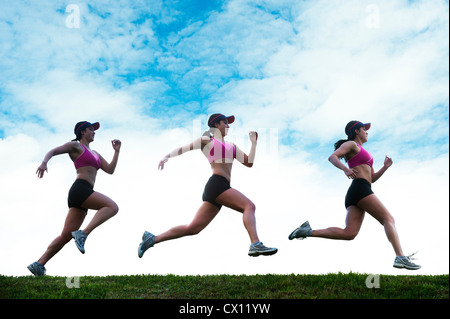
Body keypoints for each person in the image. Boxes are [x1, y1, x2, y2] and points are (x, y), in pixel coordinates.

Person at [138, 113, 277, 258]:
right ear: (216, 125)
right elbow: (185, 148)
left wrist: (253, 143)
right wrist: (166, 156)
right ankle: (255, 244)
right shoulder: (207, 140)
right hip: (217, 184)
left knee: (193, 228)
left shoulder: (231, 146)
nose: (228, 126)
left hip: (218, 189)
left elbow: (249, 163)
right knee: (249, 206)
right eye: (225, 123)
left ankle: (152, 239)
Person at [288, 121, 420, 270]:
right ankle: (400, 257)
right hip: (360, 188)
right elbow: (332, 157)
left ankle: (306, 231)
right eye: (364, 129)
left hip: (359, 190)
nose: (367, 132)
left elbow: (372, 178)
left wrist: (385, 167)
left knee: (349, 233)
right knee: (388, 219)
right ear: (356, 131)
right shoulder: (351, 145)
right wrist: (345, 169)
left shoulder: (365, 152)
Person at [27, 121, 121, 276]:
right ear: (82, 132)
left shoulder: (96, 153)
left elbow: (110, 170)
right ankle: (83, 233)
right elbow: (53, 151)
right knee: (112, 207)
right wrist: (44, 163)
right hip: (80, 189)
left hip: (84, 193)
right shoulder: (76, 146)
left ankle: (39, 264)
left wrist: (116, 151)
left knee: (66, 235)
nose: (94, 132)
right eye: (91, 129)